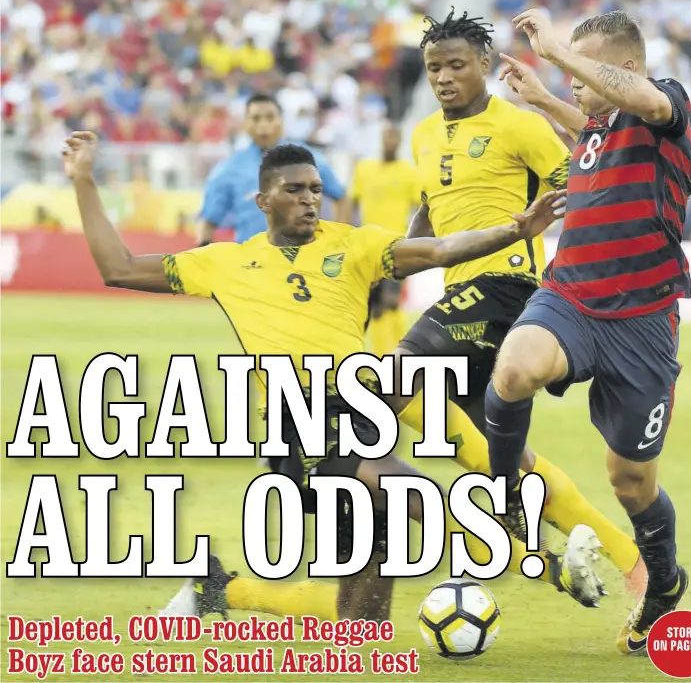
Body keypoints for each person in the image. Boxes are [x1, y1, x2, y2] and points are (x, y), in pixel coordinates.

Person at [62, 131, 602, 624]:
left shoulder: (353, 245)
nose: (309, 199)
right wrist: (84, 181)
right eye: (294, 190)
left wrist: (515, 229)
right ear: (262, 202)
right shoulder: (225, 261)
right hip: (299, 422)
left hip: (360, 417)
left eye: (316, 189)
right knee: (405, 487)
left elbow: (437, 250)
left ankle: (215, 589)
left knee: (362, 623)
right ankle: (551, 565)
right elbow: (120, 267)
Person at [384, 8, 646, 593]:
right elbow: (430, 209)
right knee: (494, 448)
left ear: (484, 65)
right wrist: (399, 253)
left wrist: (566, 249)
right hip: (458, 296)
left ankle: (335, 464)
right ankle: (591, 563)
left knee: (390, 377)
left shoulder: (520, 125)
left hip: (505, 289)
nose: (444, 78)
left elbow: (584, 177)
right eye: (433, 69)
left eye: (456, 65)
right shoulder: (424, 134)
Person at [485, 9, 691, 654]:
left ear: (625, 66)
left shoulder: (668, 107)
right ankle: (506, 500)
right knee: (514, 368)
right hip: (570, 296)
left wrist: (552, 50)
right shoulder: (604, 128)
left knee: (630, 480)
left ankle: (663, 585)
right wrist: (545, 97)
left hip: (642, 322)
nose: (571, 78)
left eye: (582, 67)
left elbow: (640, 101)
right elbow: (593, 131)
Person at [197, 93, 350, 246]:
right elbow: (208, 222)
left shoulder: (307, 160)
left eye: (270, 118)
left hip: (304, 260)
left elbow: (341, 198)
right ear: (246, 123)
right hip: (253, 263)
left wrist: (338, 244)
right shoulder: (229, 169)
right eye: (256, 118)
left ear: (281, 121)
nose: (263, 124)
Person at [347, 122, 421, 357]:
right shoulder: (365, 169)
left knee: (391, 301)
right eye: (387, 136)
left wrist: (415, 241)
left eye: (394, 137)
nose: (390, 141)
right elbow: (351, 203)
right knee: (374, 306)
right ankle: (383, 356)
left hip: (396, 246)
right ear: (380, 139)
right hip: (368, 248)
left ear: (399, 141)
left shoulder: (408, 172)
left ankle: (397, 352)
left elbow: (422, 208)